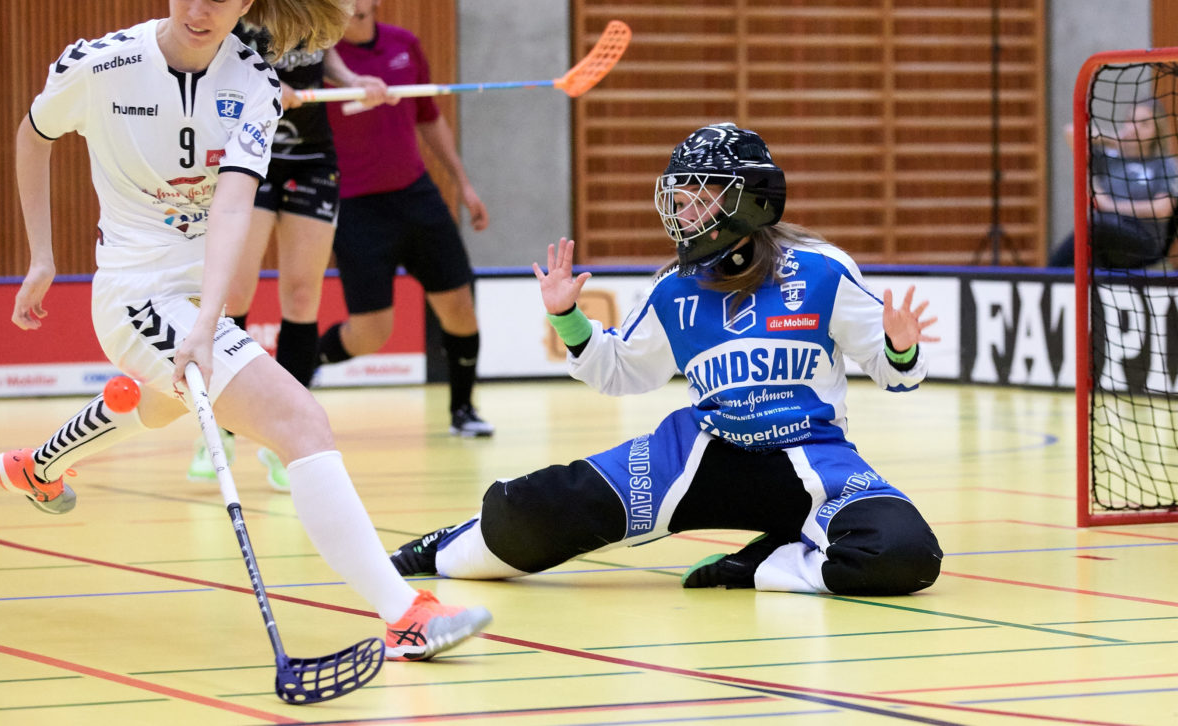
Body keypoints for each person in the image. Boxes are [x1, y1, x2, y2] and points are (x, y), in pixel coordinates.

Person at [0, 0, 490, 661]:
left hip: (192, 299)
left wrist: (209, 319)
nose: (195, 11)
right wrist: (41, 255)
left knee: (155, 406)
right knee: (300, 424)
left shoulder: (252, 82)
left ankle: (37, 467)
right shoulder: (101, 64)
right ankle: (404, 613)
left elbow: (233, 201)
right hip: (133, 293)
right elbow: (34, 135)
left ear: (249, 2)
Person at [388, 123, 944, 598]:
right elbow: (621, 370)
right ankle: (441, 546)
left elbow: (899, 376)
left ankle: (760, 566)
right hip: (699, 455)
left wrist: (898, 346)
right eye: (679, 195)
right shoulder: (673, 289)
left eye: (700, 194)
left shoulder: (824, 270)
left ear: (749, 199)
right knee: (526, 514)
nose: (682, 209)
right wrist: (568, 319)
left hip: (814, 460)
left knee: (905, 552)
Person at [184, 0, 393, 491]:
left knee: (303, 296)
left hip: (312, 155)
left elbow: (324, 56)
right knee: (235, 293)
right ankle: (218, 432)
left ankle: (285, 437)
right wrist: (263, 90)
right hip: (252, 158)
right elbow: (210, 66)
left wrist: (357, 81)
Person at [314, 0, 494, 438]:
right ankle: (301, 362)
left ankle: (463, 410)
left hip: (416, 196)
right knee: (372, 333)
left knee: (459, 307)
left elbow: (429, 120)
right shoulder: (320, 60)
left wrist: (463, 183)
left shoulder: (404, 46)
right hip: (355, 206)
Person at [1049, 99, 1178, 269]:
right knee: (1095, 229)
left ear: (1157, 131)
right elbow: (1071, 132)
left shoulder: (1163, 164)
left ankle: (1050, 273)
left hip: (1144, 242)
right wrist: (1113, 140)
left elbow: (1162, 209)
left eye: (1144, 124)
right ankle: (1050, 275)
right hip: (1106, 238)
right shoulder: (1110, 158)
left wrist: (1110, 206)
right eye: (1131, 121)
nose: (1135, 128)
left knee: (1097, 224)